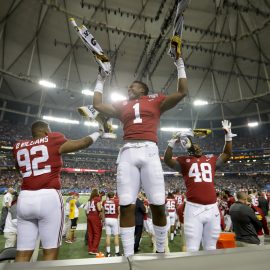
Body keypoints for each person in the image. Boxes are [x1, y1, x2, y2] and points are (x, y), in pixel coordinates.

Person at [79, 50, 188, 256]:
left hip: (149, 150)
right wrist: (100, 78)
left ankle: (160, 250)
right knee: (126, 204)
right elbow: (97, 104)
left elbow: (182, 91)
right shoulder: (122, 105)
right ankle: (128, 255)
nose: (129, 88)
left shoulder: (155, 100)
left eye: (133, 86)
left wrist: (179, 63)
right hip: (128, 151)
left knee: (157, 203)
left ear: (143, 90)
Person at [12, 120, 102, 262]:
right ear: (46, 131)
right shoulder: (52, 138)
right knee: (50, 251)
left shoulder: (18, 146)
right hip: (48, 196)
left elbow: (20, 168)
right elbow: (82, 143)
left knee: (22, 253)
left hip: (24, 198)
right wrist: (99, 132)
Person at [164, 120, 235, 251]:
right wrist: (171, 143)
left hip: (212, 208)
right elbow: (167, 159)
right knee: (192, 248)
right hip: (193, 208)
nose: (197, 147)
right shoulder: (184, 161)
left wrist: (228, 137)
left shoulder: (211, 160)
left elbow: (227, 154)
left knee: (211, 247)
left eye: (198, 146)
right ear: (188, 148)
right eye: (194, 146)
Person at [102, 191, 120, 257]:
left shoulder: (104, 202)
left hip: (107, 219)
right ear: (114, 195)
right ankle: (117, 252)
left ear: (108, 196)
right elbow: (119, 210)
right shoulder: (117, 201)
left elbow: (103, 212)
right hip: (114, 219)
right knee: (116, 236)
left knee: (108, 236)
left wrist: (103, 220)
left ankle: (108, 252)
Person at [85, 188, 102, 255]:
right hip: (95, 216)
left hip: (89, 216)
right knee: (97, 233)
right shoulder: (97, 198)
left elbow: (86, 210)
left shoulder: (90, 200)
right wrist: (102, 208)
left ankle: (90, 249)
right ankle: (94, 249)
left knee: (90, 233)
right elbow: (99, 208)